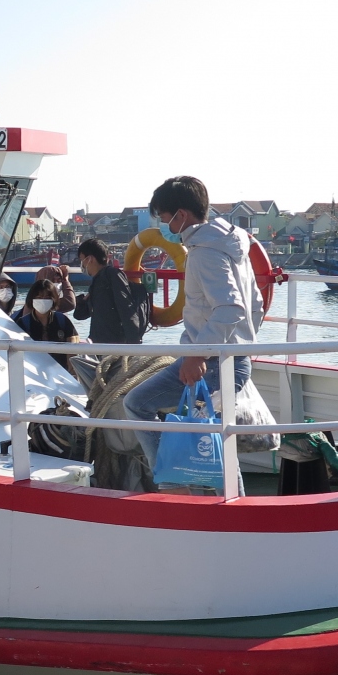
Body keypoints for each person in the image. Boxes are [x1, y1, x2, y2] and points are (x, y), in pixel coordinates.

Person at [123, 176, 265, 482]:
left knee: (141, 406)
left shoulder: (203, 253)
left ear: (181, 215)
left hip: (209, 365)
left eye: (164, 219)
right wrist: (240, 345)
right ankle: (206, 491)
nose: (164, 226)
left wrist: (197, 355)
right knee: (211, 436)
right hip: (228, 359)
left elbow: (231, 307)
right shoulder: (232, 246)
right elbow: (255, 305)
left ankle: (171, 480)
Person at [74, 238, 151, 345]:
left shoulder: (112, 275)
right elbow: (80, 315)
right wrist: (81, 301)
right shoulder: (97, 282)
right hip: (99, 344)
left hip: (114, 345)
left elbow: (126, 307)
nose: (82, 265)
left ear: (90, 259)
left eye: (82, 260)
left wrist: (134, 344)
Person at [14, 279, 81, 372]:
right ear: (31, 299)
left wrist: (71, 370)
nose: (43, 300)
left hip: (61, 372)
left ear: (54, 299)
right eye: (39, 297)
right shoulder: (23, 323)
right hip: (32, 371)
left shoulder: (62, 320)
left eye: (47, 297)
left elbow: (73, 342)